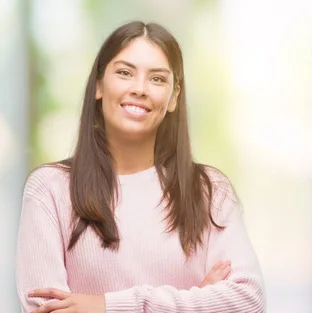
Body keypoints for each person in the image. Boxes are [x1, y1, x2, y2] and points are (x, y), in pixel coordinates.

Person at [15, 21, 265, 313]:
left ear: (173, 97)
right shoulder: (50, 189)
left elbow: (247, 301)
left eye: (157, 79)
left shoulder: (209, 190)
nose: (140, 89)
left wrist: (108, 306)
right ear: (98, 85)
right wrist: (197, 299)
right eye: (124, 73)